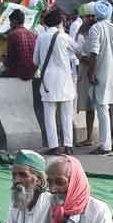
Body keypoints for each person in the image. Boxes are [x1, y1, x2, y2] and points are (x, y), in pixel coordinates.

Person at [82, 0, 113, 155]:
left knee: (102, 108)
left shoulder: (95, 29)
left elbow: (94, 53)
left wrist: (91, 72)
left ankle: (105, 145)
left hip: (101, 73)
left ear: (96, 14)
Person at [34, 9, 79, 155]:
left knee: (49, 114)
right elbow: (79, 51)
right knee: (66, 113)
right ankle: (68, 145)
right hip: (64, 79)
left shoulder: (41, 38)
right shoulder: (64, 37)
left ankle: (54, 145)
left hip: (47, 80)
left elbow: (35, 60)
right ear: (60, 22)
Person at [72, 4, 98, 147]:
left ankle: (95, 138)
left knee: (96, 106)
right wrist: (84, 58)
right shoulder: (81, 30)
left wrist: (88, 60)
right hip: (87, 71)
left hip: (94, 71)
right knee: (90, 107)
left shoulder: (96, 30)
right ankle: (89, 137)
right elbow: (77, 50)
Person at [3, 9, 37, 80]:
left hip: (18, 73)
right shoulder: (32, 34)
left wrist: (4, 59)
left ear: (15, 21)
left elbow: (10, 58)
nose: (10, 24)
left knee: (0, 72)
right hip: (32, 72)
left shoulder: (12, 34)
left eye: (10, 22)